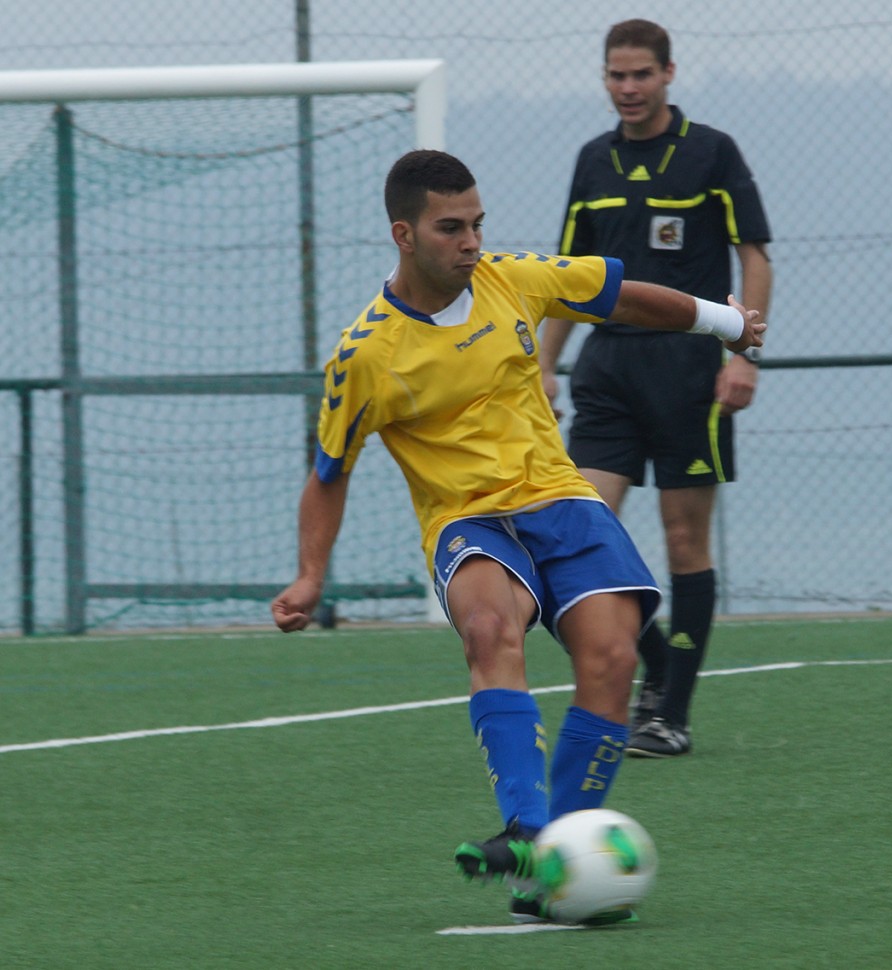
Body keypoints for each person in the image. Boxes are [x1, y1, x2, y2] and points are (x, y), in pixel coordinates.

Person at [271, 149, 764, 923]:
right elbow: (328, 474)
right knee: (491, 628)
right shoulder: (365, 353)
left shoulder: (513, 279)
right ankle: (528, 827)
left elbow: (622, 298)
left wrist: (725, 322)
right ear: (404, 235)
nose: (469, 242)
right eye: (450, 228)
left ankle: (550, 862)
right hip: (467, 522)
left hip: (560, 499)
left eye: (476, 224)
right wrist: (308, 577)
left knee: (613, 657)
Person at [539, 19, 774, 759]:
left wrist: (743, 354)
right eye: (616, 75)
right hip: (608, 368)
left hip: (688, 368)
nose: (628, 88)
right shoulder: (593, 160)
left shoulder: (711, 151)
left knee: (681, 539)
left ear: (669, 74)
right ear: (604, 78)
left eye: (641, 74)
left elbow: (754, 256)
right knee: (577, 532)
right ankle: (661, 668)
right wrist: (540, 365)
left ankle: (670, 714)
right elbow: (565, 278)